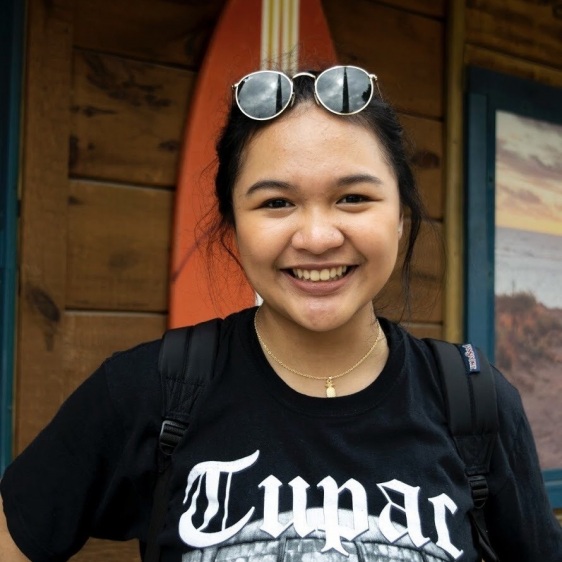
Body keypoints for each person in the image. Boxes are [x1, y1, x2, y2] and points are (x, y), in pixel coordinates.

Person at [1, 65, 561, 562]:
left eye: (353, 198)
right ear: (232, 229)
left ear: (399, 217)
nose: (317, 237)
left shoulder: (476, 402)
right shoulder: (147, 390)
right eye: (276, 203)